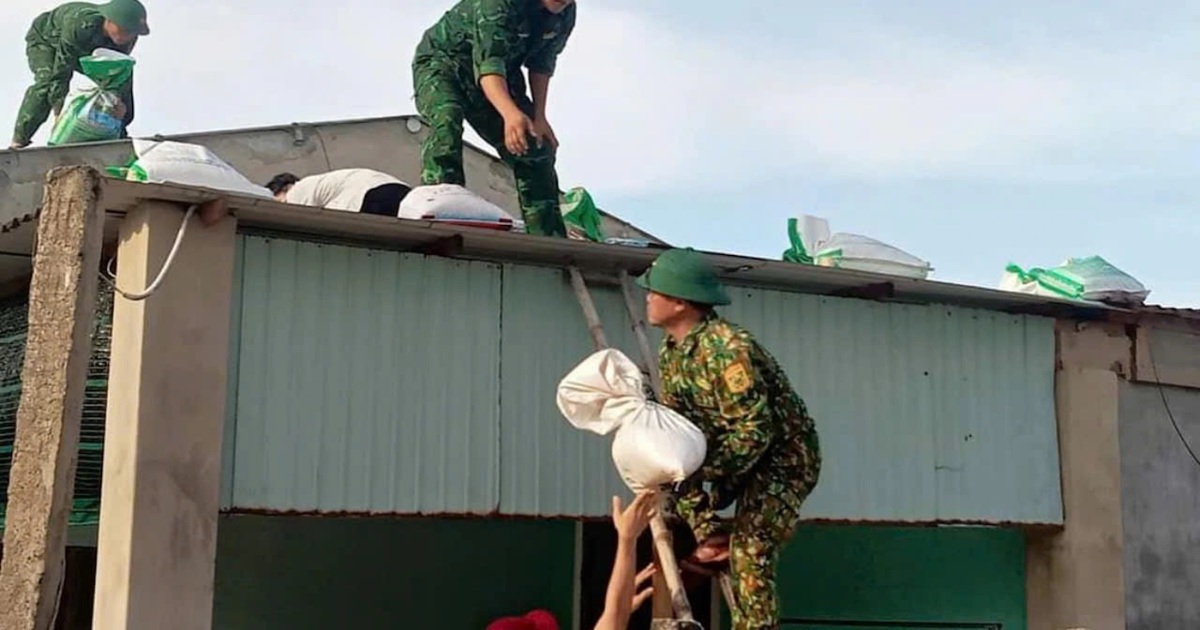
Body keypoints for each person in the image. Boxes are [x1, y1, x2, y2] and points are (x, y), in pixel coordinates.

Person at [636, 247, 823, 630]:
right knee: (672, 464)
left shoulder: (728, 349)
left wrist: (706, 467)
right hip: (728, 454)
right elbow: (682, 425)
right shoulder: (672, 351)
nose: (648, 298)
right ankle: (712, 537)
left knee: (752, 552)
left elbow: (756, 432)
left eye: (656, 291)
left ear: (681, 302)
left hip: (782, 462)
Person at [411, 0, 575, 238]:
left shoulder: (566, 14)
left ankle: (547, 235)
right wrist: (509, 114)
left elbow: (542, 64)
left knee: (537, 145)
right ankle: (443, 208)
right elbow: (489, 63)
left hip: (503, 75)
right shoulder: (499, 3)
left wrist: (540, 117)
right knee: (447, 120)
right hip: (444, 63)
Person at [10, 0, 149, 150]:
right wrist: (59, 114)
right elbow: (61, 73)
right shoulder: (79, 25)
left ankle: (118, 137)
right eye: (123, 29)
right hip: (49, 42)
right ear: (109, 20)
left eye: (132, 33)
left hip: (90, 50)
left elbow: (116, 74)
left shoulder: (126, 39)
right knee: (47, 83)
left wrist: (119, 107)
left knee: (121, 84)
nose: (126, 36)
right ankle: (19, 142)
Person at [265, 169, 412, 217]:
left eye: (281, 201)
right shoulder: (322, 182)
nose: (284, 204)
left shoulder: (298, 190)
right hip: (404, 193)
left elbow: (302, 218)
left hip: (371, 196)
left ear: (285, 189)